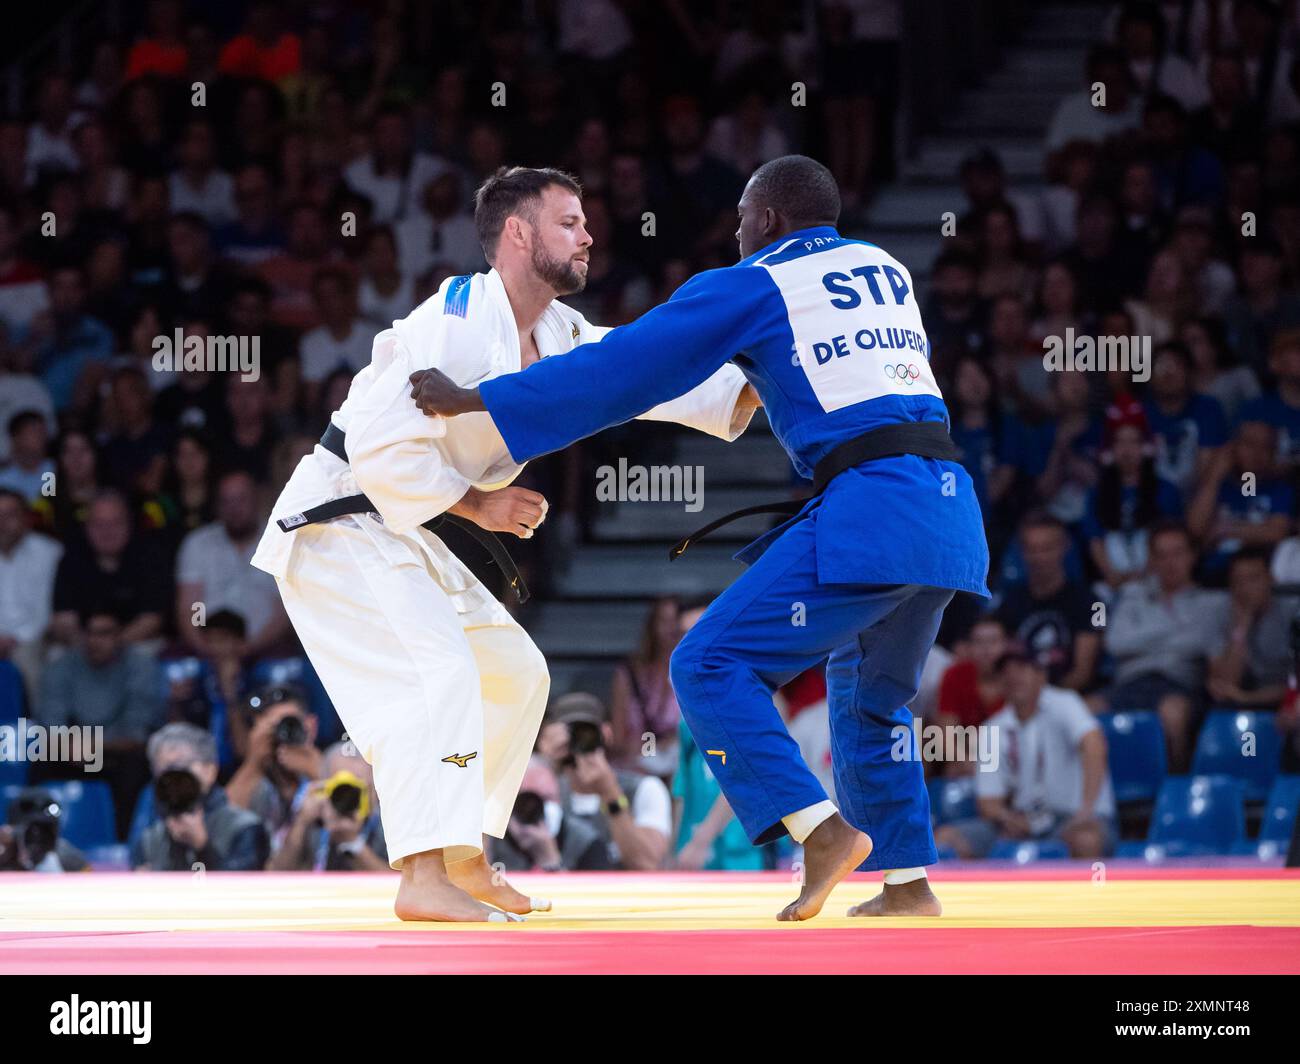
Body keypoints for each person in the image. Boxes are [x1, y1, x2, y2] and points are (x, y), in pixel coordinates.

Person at [411, 155, 990, 920]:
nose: (738, 235)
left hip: (872, 506)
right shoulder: (883, 268)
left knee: (708, 663)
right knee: (870, 696)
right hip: (950, 508)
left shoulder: (756, 280)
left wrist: (479, 398)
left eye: (745, 221)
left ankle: (817, 831)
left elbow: (623, 369)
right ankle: (907, 882)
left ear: (770, 221)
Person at [251, 165, 758, 922]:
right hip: (341, 522)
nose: (589, 234)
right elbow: (382, 449)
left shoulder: (555, 329)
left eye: (586, 222)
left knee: (515, 673)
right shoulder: (455, 320)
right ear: (518, 235)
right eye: (570, 221)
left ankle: (466, 855)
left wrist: (742, 385)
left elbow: (636, 372)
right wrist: (481, 503)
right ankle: (420, 874)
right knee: (439, 671)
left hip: (401, 529)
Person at [936, 647, 1115, 860]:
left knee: (1085, 840)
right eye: (1006, 671)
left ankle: (1088, 893)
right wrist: (1008, 818)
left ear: (1041, 676)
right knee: (946, 838)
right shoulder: (992, 728)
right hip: (1024, 820)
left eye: (1022, 668)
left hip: (1072, 818)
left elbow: (1094, 744)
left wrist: (1086, 810)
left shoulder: (1065, 703)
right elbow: (988, 802)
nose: (1013, 676)